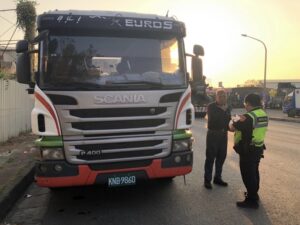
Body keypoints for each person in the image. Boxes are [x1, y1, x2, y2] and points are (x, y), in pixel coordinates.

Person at [229, 93, 268, 209]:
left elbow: (232, 127)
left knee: (248, 175)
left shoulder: (249, 116)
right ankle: (254, 194)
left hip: (248, 150)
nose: (245, 106)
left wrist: (234, 119)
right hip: (258, 147)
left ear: (249, 104)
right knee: (254, 172)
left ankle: (251, 201)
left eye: (245, 104)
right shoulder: (263, 114)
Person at [204, 89, 231, 189]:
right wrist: (223, 111)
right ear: (216, 97)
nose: (223, 98)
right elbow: (212, 121)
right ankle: (207, 180)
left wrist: (233, 125)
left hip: (224, 135)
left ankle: (217, 178)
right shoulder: (211, 107)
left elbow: (228, 121)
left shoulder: (228, 107)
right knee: (210, 158)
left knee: (221, 157)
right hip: (213, 134)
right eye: (220, 96)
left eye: (224, 96)